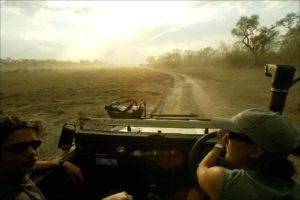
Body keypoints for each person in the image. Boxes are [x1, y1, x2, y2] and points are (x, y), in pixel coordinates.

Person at [0, 115, 133, 200]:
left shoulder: (15, 170)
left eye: (35, 144)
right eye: (19, 148)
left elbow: (35, 164)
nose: (32, 153)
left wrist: (61, 163)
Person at [196, 108, 300, 200]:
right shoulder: (295, 191)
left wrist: (219, 144)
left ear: (255, 151)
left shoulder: (222, 181)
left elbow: (203, 167)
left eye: (231, 135)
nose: (225, 138)